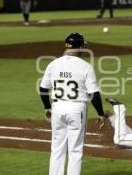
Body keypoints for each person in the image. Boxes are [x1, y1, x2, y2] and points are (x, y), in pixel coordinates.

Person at [39, 32, 108, 175]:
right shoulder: (85, 66)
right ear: (80, 47)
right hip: (76, 109)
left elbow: (43, 88)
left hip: (57, 108)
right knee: (75, 150)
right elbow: (93, 93)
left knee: (57, 149)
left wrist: (47, 106)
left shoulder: (53, 64)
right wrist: (101, 114)